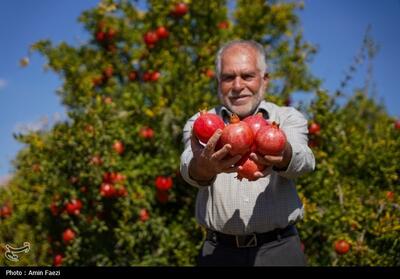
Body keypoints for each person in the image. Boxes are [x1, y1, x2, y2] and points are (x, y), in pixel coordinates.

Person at [180, 40, 315, 266]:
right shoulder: (200, 123)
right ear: (218, 82)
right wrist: (202, 167)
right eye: (228, 77)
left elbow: (306, 160)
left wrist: (284, 153)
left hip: (279, 251)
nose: (237, 85)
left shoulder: (287, 118)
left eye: (247, 76)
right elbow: (187, 165)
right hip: (218, 254)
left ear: (265, 80)